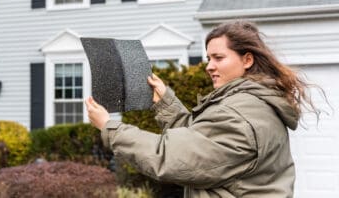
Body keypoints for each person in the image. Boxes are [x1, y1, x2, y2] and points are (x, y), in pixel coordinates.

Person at [86, 21, 319, 197]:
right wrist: (165, 101)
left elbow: (171, 157)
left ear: (247, 60)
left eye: (218, 57)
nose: (209, 66)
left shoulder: (240, 114)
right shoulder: (248, 103)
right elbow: (202, 143)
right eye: (209, 58)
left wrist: (110, 127)